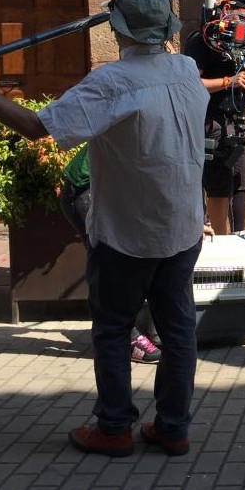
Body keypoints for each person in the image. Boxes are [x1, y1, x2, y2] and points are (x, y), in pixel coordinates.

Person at [0, 0, 209, 458]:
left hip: (127, 233)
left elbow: (36, 126)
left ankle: (115, 428)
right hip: (182, 227)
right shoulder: (186, 69)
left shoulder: (112, 82)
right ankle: (172, 428)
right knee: (178, 328)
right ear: (166, 28)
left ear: (117, 29)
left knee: (112, 329)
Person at [59, 143, 161, 364]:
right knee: (110, 270)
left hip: (101, 190)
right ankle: (126, 339)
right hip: (86, 192)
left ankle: (121, 335)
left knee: (122, 268)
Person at [183, 24, 245, 235]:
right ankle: (220, 240)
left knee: (240, 181)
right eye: (241, 12)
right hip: (211, 122)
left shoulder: (242, 41)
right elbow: (190, 84)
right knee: (219, 186)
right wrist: (229, 81)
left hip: (236, 122)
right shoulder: (202, 41)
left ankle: (239, 237)